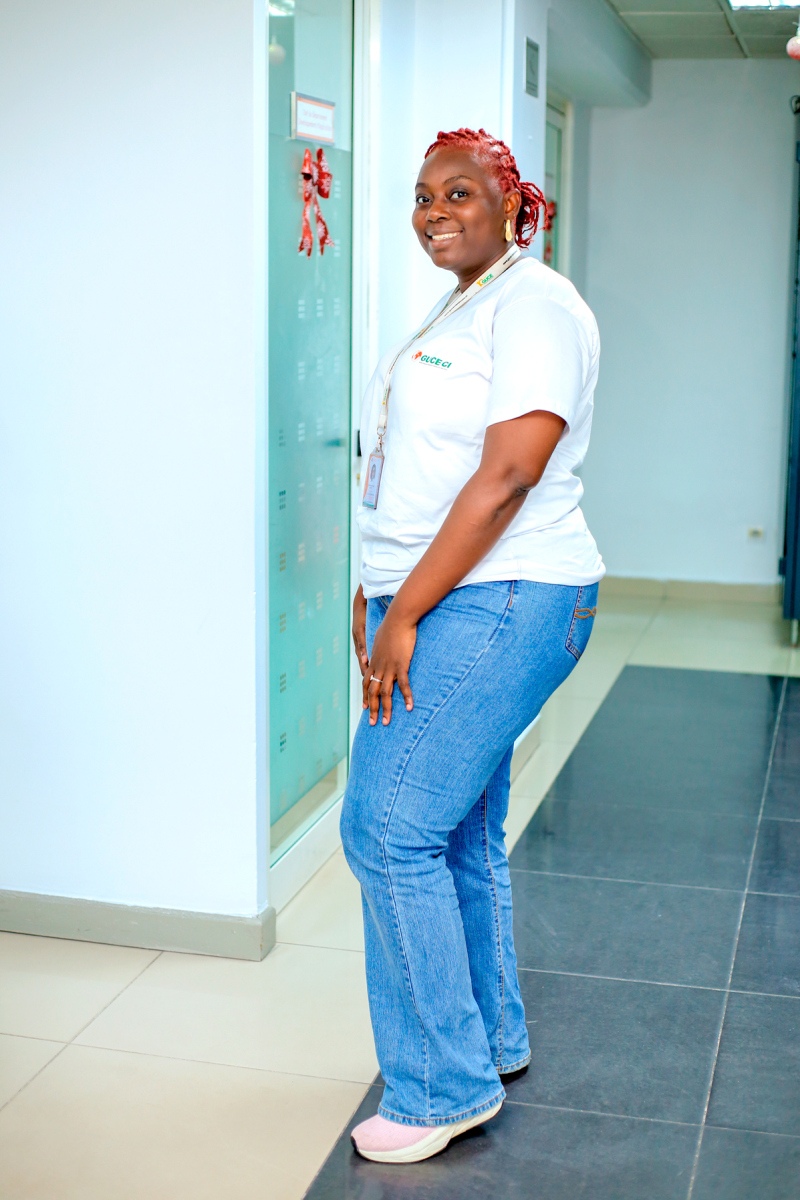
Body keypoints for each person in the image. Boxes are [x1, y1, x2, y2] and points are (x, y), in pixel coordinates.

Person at [340, 127, 604, 1165]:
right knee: (451, 833)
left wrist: (403, 612)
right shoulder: (461, 304)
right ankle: (485, 1042)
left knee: (386, 829)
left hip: (505, 596)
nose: (434, 212)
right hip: (443, 594)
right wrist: (375, 591)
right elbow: (412, 470)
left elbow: (507, 476)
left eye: (459, 192)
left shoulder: (535, 305)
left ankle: (438, 1089)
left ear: (512, 204)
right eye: (422, 195)